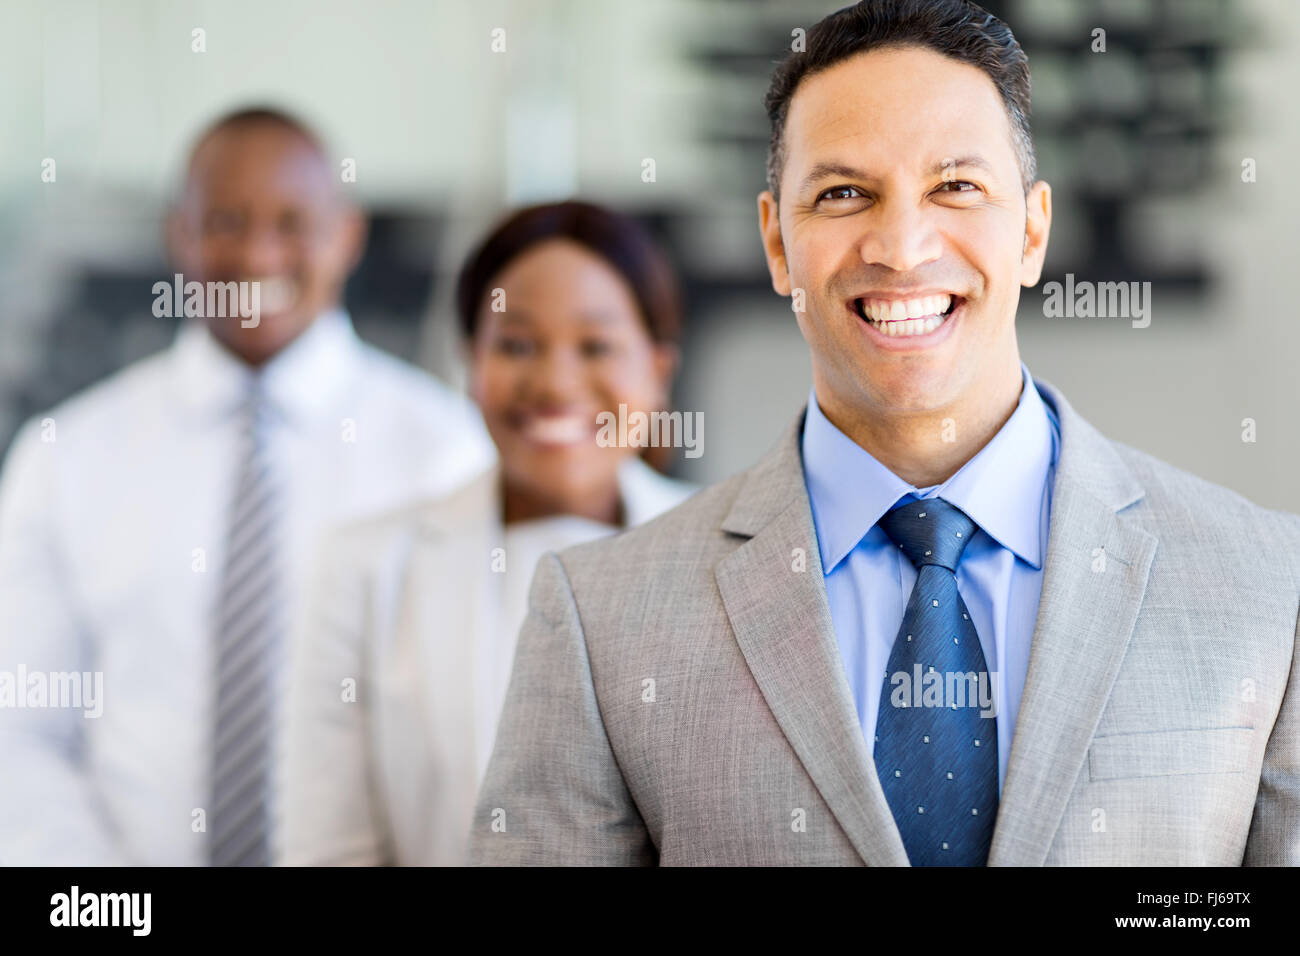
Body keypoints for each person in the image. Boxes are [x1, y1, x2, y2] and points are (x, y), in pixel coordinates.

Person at [469, 0, 1300, 866]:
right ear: (777, 245)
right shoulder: (601, 619)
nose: (901, 247)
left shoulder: (1268, 589)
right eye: (843, 194)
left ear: (1032, 229)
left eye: (956, 186)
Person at [0, 107, 495, 866]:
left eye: (293, 221)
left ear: (347, 235)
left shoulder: (446, 454)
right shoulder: (63, 458)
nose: (259, 251)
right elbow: (21, 734)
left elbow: (466, 732)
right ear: (179, 234)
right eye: (226, 220)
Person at [277, 200, 695, 865]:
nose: (555, 382)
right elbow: (330, 851)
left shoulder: (737, 563)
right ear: (471, 364)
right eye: (517, 344)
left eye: (595, 346)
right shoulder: (365, 566)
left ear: (657, 371)